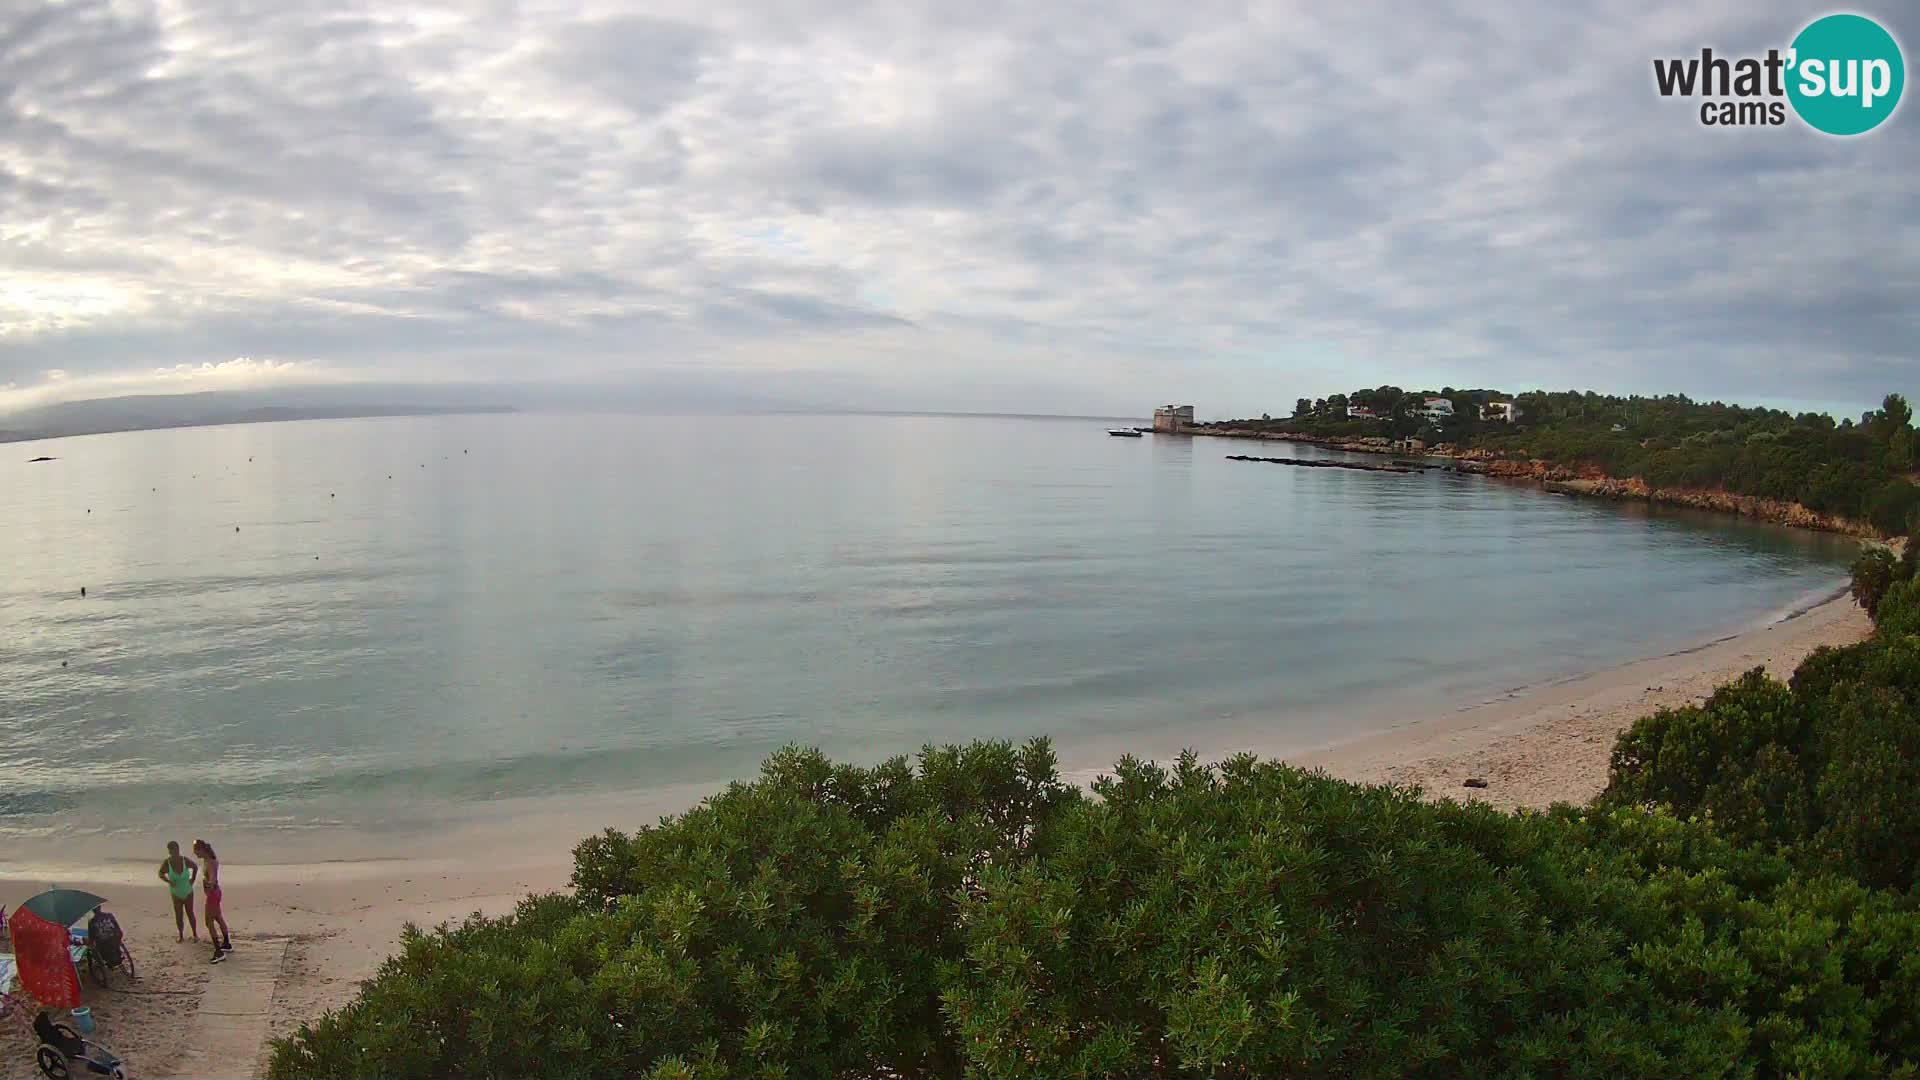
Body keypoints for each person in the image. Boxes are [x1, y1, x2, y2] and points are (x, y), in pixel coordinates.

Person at [193, 839, 232, 961]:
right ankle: (226, 943)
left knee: (208, 922)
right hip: (215, 894)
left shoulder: (210, 862)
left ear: (202, 850)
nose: (196, 854)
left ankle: (218, 952)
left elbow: (213, 880)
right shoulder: (208, 860)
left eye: (196, 851)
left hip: (213, 895)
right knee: (218, 917)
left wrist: (208, 884)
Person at [158, 841, 198, 942]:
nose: (176, 852)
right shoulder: (167, 862)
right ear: (169, 851)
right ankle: (180, 935)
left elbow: (195, 867)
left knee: (190, 913)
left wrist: (192, 879)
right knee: (179, 915)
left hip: (188, 891)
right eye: (173, 850)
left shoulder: (184, 860)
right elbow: (160, 873)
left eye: (177, 850)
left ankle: (195, 934)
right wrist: (169, 881)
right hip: (176, 894)